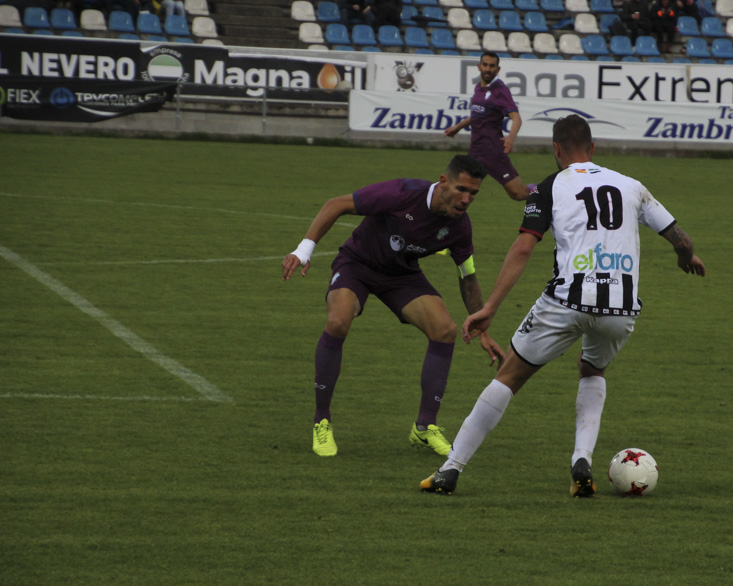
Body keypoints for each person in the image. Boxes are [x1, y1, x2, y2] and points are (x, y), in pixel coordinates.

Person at [420, 115, 707, 496]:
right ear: (593, 148)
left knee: (509, 375)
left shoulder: (549, 187)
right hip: (621, 308)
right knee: (592, 369)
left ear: (556, 149)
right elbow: (678, 236)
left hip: (567, 299)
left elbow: (524, 246)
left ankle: (449, 471)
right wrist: (686, 257)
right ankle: (580, 460)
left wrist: (489, 306)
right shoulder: (631, 186)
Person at [281, 155, 506, 458]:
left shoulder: (459, 227)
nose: (466, 199)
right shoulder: (402, 193)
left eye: (474, 193)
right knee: (338, 322)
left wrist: (483, 330)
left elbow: (467, 276)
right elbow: (336, 204)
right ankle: (322, 421)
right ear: (443, 182)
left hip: (401, 276)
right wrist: (303, 250)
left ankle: (424, 428)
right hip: (357, 264)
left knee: (445, 330)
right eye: (461, 189)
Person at [443, 52, 535, 202]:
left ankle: (548, 190)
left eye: (492, 66)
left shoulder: (500, 91)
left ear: (497, 69)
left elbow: (516, 118)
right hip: (476, 151)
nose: (487, 69)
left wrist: (510, 139)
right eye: (485, 65)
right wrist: (457, 127)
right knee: (453, 188)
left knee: (518, 194)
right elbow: (478, 115)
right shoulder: (479, 88)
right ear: (479, 66)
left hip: (493, 153)